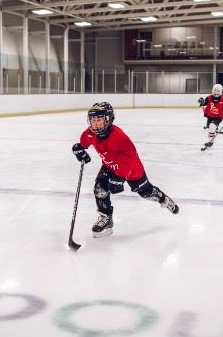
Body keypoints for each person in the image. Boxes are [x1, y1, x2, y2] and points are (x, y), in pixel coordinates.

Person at [72, 102, 179, 238]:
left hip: (131, 169)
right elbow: (83, 142)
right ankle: (106, 218)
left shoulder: (119, 136)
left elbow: (130, 158)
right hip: (109, 166)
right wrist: (78, 149)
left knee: (146, 192)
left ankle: (163, 199)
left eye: (98, 120)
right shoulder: (90, 134)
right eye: (92, 120)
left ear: (108, 119)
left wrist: (119, 178)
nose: (95, 124)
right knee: (100, 189)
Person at [198, 84, 223, 148]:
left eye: (218, 91)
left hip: (218, 117)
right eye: (215, 90)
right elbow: (204, 103)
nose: (216, 92)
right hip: (210, 116)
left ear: (221, 92)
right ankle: (210, 141)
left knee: (212, 126)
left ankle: (211, 142)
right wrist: (202, 102)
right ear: (212, 91)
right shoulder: (209, 98)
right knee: (210, 129)